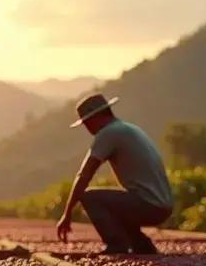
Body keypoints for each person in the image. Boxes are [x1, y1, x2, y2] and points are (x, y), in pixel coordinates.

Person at [56, 94, 173, 254]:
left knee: (90, 197)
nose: (87, 127)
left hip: (149, 205)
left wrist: (67, 214)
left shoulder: (108, 133)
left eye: (86, 122)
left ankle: (117, 245)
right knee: (117, 204)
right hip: (164, 206)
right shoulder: (128, 128)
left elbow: (84, 175)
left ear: (96, 117)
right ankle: (141, 245)